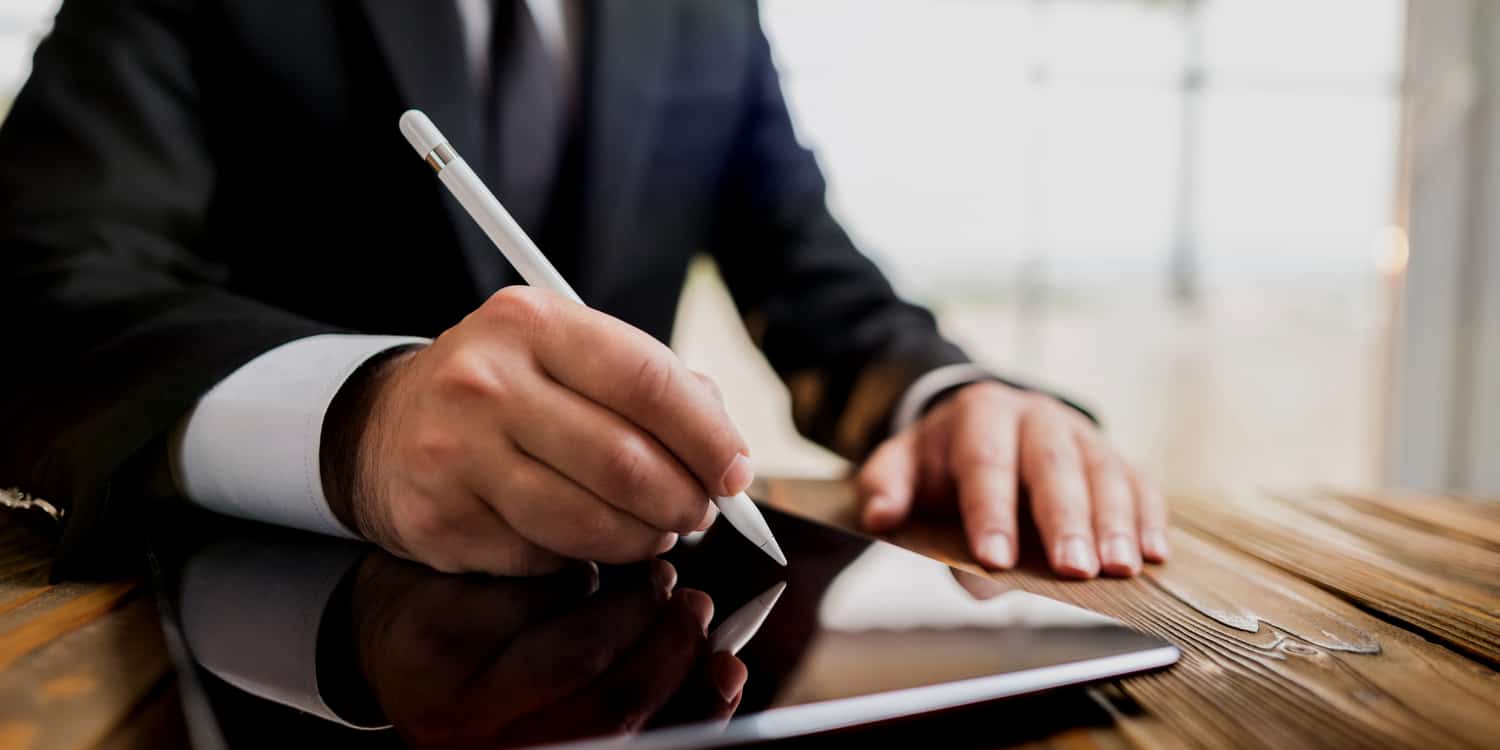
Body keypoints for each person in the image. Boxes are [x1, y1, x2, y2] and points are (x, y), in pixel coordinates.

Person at [0, 0, 1167, 580]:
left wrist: (943, 396)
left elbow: (811, 278)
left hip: (637, 638)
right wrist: (354, 420)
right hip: (270, 632)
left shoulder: (702, 11)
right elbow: (41, 281)